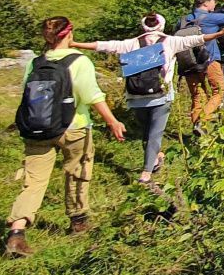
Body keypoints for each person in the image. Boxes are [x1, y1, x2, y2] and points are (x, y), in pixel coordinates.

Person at [4, 17, 125, 259]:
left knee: (34, 181)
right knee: (78, 172)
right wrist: (113, 121)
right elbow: (92, 95)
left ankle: (17, 233)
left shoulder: (36, 62)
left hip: (38, 128)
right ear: (70, 34)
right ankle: (78, 221)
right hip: (74, 128)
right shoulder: (79, 61)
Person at [71, 14, 213, 183]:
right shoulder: (171, 42)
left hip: (135, 96)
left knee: (147, 133)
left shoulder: (131, 43)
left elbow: (104, 46)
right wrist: (221, 33)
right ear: (162, 26)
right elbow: (197, 39)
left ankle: (153, 160)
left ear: (143, 26)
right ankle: (146, 172)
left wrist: (74, 44)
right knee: (155, 134)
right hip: (161, 95)